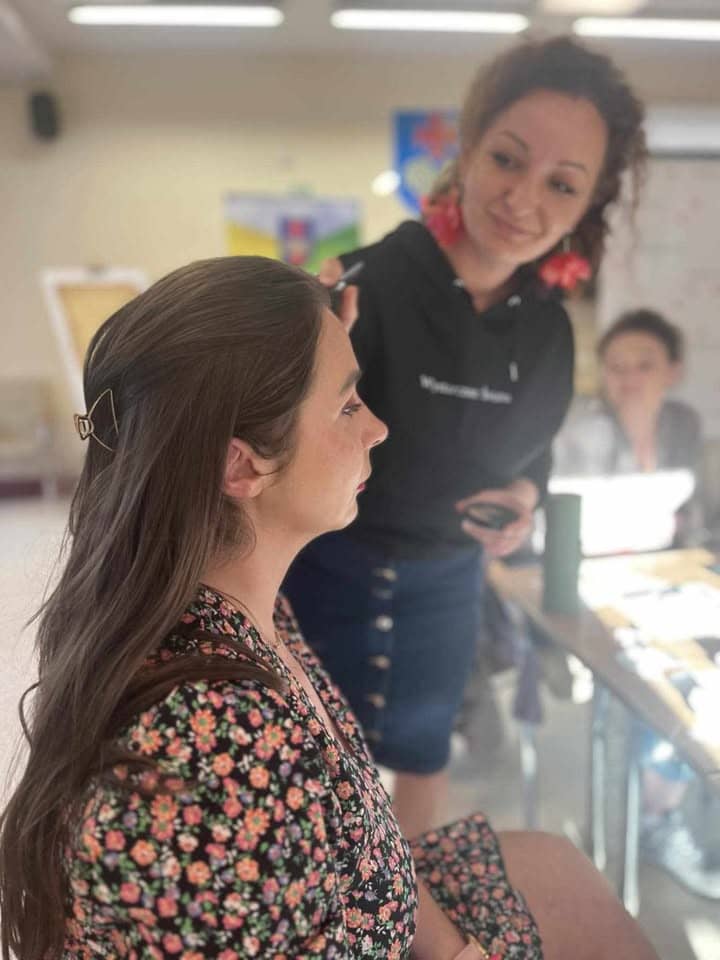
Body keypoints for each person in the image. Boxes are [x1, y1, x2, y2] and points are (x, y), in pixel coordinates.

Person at [0, 256, 660, 960]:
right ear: (241, 465)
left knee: (565, 870)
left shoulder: (247, 611)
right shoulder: (212, 756)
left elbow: (365, 834)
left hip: (373, 902)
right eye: (348, 405)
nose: (377, 428)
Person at [283, 35, 648, 837]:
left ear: (588, 206)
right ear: (469, 150)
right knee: (306, 764)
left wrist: (522, 496)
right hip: (321, 569)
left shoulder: (548, 332)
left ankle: (406, 899)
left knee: (424, 755)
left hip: (447, 581)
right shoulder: (364, 283)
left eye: (562, 184)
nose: (523, 199)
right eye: (507, 160)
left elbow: (534, 453)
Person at [554, 307, 719, 899]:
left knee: (701, 676)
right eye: (617, 367)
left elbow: (692, 518)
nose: (628, 379)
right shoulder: (584, 431)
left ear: (673, 370)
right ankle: (657, 813)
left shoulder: (682, 423)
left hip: (669, 585)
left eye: (643, 365)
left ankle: (669, 795)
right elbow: (569, 526)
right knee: (658, 680)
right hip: (599, 589)